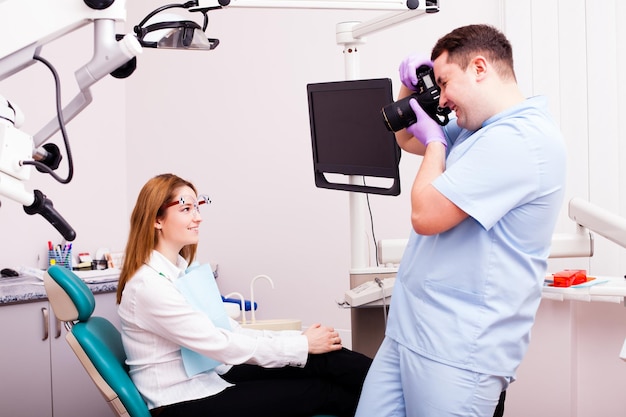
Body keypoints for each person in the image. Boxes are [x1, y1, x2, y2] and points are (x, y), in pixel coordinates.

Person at [355, 24, 566, 417]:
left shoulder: (521, 140)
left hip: (459, 349)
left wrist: (436, 140)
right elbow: (407, 138)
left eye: (446, 82)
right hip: (411, 332)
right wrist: (409, 87)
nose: (444, 98)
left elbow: (426, 214)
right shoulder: (478, 130)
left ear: (480, 68)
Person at [116, 173, 372, 417]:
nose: (198, 217)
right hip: (181, 401)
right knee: (323, 392)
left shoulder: (179, 274)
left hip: (211, 376)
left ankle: (400, 385)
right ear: (156, 220)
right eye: (186, 209)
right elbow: (220, 344)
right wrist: (302, 345)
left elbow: (231, 331)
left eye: (198, 207)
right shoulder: (149, 287)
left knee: (325, 359)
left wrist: (302, 341)